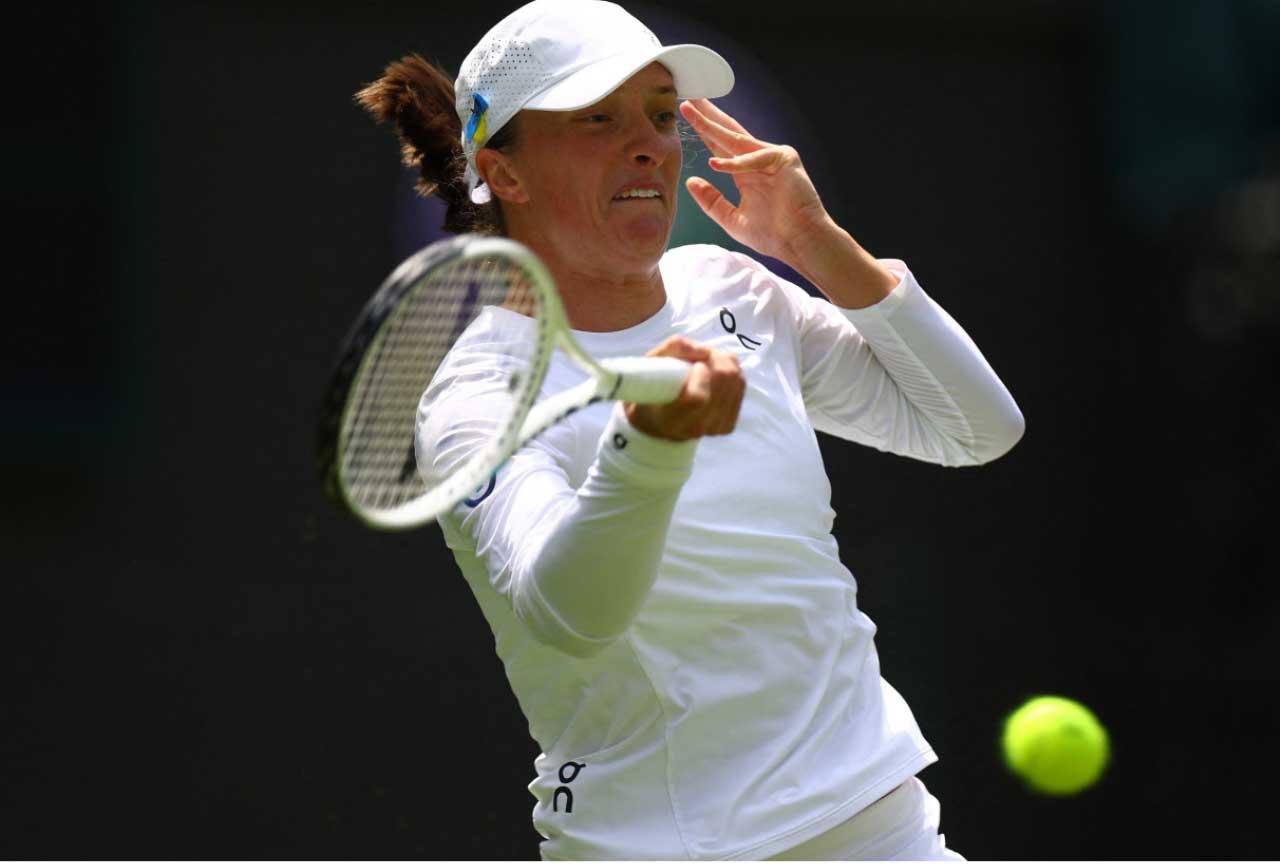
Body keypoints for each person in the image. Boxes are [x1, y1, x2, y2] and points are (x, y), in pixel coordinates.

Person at [356, 0, 1024, 859]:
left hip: (882, 827)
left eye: (662, 115)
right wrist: (651, 447)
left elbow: (976, 429)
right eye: (599, 119)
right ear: (505, 173)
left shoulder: (730, 287)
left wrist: (815, 243)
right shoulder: (479, 394)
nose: (652, 146)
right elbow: (567, 615)